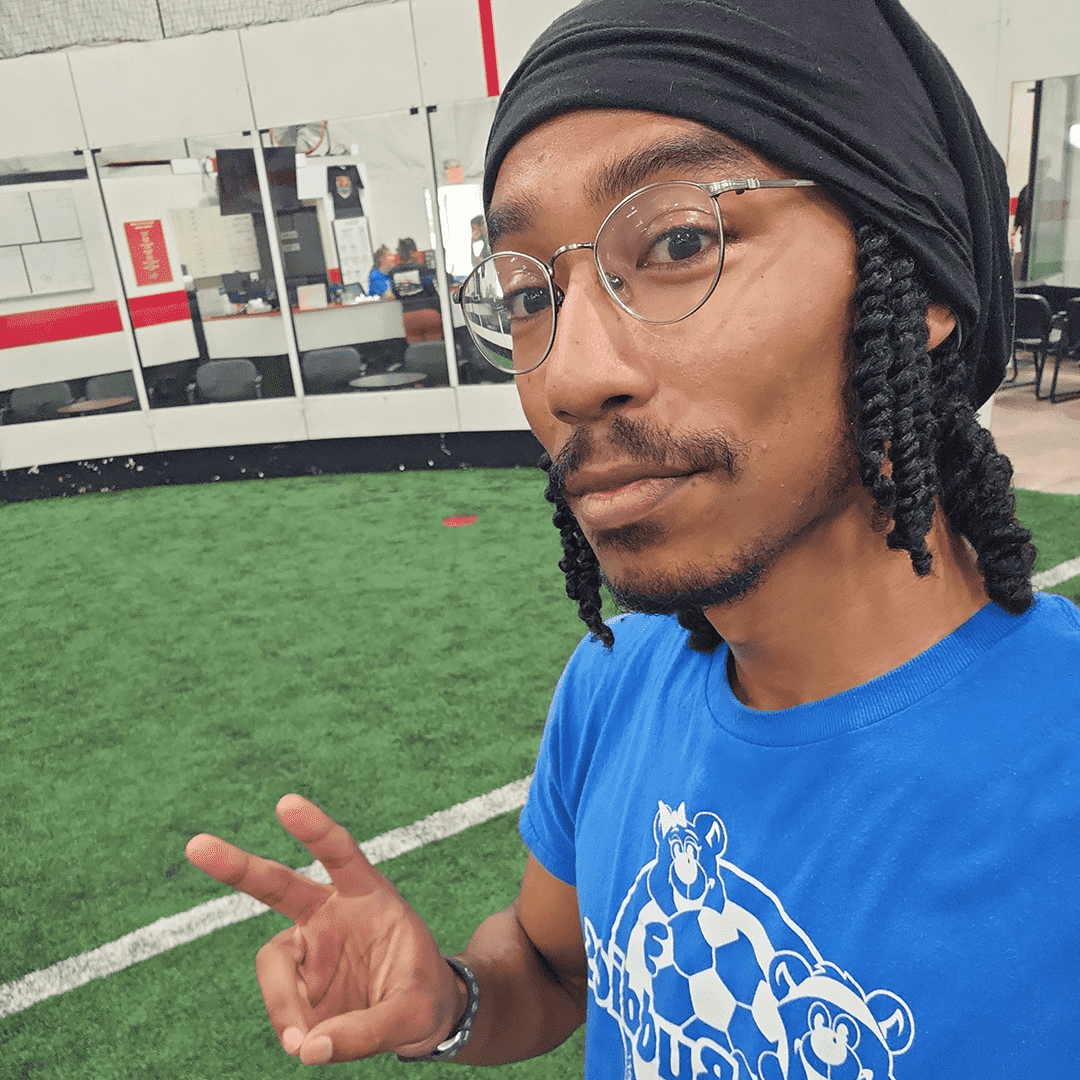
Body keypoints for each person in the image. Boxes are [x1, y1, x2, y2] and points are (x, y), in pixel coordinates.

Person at [186, 0, 1080, 1075]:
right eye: (527, 292)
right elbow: (557, 966)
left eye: (679, 241)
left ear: (923, 282)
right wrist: (456, 998)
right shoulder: (618, 685)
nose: (566, 371)